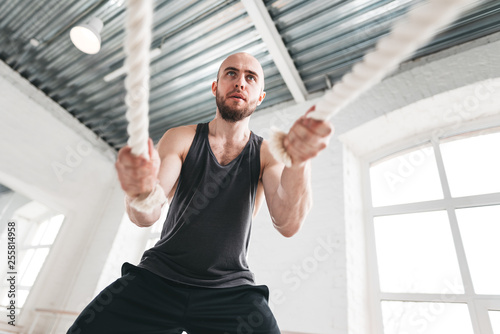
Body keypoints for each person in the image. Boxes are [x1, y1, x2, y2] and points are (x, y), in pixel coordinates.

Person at [67, 52, 332, 334]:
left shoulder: (267, 153)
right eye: (231, 73)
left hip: (229, 291)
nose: (240, 82)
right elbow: (145, 216)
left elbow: (288, 223)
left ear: (260, 97)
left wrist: (300, 161)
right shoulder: (181, 138)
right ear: (215, 87)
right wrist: (139, 189)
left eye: (250, 77)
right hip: (157, 278)